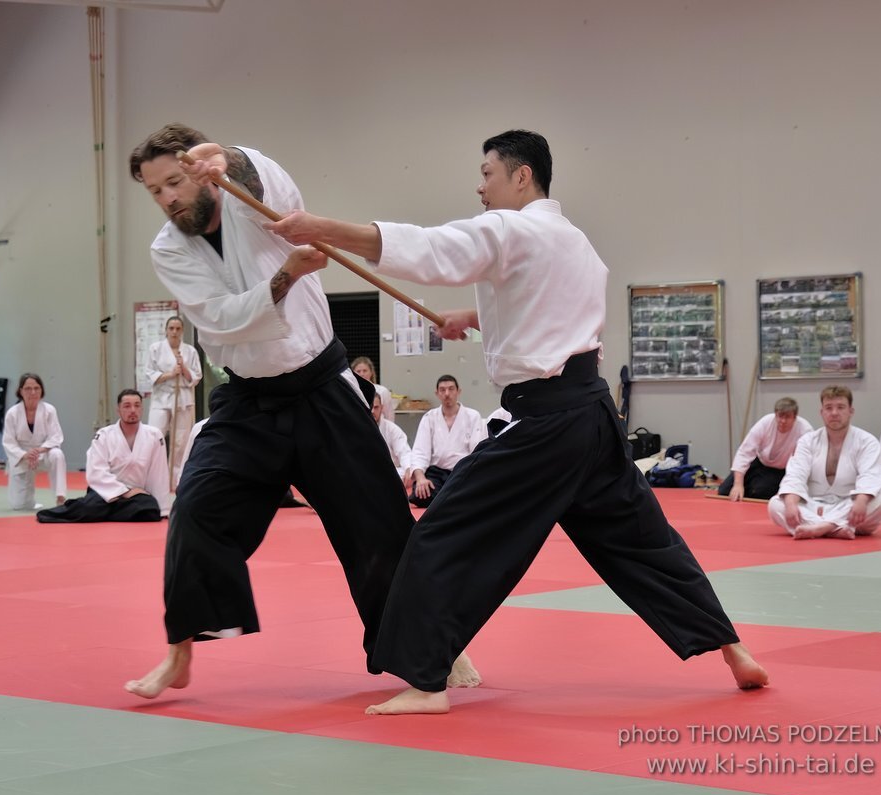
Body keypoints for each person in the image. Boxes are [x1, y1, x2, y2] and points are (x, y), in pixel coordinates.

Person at [266, 128, 766, 714]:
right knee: (643, 542)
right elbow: (547, 306)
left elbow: (428, 248)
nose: (479, 187)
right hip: (594, 416)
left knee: (443, 533)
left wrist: (320, 228)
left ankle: (427, 681)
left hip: (545, 424)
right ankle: (733, 651)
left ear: (521, 176)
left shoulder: (508, 228)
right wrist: (476, 317)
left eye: (487, 174)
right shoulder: (574, 240)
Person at [122, 123, 450, 702]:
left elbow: (272, 187)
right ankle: (180, 652)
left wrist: (229, 158)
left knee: (379, 526)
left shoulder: (252, 205)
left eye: (175, 181)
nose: (168, 198)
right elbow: (220, 319)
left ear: (203, 173)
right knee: (195, 509)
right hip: (247, 400)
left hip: (322, 389)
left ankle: (433, 653)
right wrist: (286, 275)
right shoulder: (168, 249)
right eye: (155, 191)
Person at [768, 385, 881, 539]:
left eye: (840, 407)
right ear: (822, 412)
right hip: (814, 506)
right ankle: (834, 528)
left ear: (851, 411)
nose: (834, 413)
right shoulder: (807, 441)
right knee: (775, 504)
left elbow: (871, 476)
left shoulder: (867, 441)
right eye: (829, 408)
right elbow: (795, 475)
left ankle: (817, 527)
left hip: (849, 505)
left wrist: (861, 501)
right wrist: (791, 504)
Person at [37, 390, 168, 523]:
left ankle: (103, 514)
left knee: (150, 510)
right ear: (118, 410)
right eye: (127, 406)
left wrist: (163, 509)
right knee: (89, 507)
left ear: (142, 408)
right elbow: (96, 471)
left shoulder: (154, 435)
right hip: (105, 491)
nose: (133, 410)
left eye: (137, 405)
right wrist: (124, 491)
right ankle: (101, 511)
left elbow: (158, 474)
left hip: (136, 494)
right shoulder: (104, 435)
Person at [408, 374, 487, 507]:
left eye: (451, 389)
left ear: (458, 391)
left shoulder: (472, 416)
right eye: (442, 390)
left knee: (476, 492)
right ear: (437, 393)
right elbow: (420, 451)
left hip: (462, 471)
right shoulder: (429, 417)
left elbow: (477, 451)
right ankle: (453, 498)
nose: (447, 394)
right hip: (437, 473)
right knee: (420, 493)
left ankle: (449, 497)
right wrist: (421, 478)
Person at [718, 398, 814, 501]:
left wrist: (790, 486)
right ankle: (746, 488)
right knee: (724, 491)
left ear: (795, 417)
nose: (783, 421)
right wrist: (738, 485)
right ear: (775, 415)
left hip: (782, 470)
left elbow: (805, 463)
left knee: (760, 492)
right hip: (760, 462)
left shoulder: (805, 430)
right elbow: (745, 452)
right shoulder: (765, 423)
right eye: (780, 416)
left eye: (787, 417)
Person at [145, 315, 202, 487]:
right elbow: (148, 373)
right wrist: (170, 374)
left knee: (180, 441)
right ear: (166, 330)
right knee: (155, 435)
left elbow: (196, 376)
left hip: (182, 397)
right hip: (162, 397)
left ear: (182, 331)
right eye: (171, 328)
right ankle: (154, 478)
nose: (174, 332)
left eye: (178, 329)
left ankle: (176, 480)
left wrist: (183, 367)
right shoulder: (155, 348)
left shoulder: (190, 351)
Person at [2, 373, 67, 511]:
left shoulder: (49, 410)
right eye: (28, 388)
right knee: (19, 506)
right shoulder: (12, 413)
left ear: (41, 390)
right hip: (22, 457)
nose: (33, 392)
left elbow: (55, 437)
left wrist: (40, 450)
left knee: (57, 454)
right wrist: (25, 455)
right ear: (20, 391)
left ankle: (60, 497)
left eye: (37, 388)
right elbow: (8, 442)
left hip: (44, 453)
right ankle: (29, 502)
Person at [372, 392, 414, 489]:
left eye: (376, 407)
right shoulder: (358, 428)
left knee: (403, 473)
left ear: (382, 408)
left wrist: (408, 468)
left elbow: (404, 452)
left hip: (389, 473)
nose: (372, 411)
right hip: (366, 473)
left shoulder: (391, 429)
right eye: (370, 407)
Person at [351, 356, 394, 422]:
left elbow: (389, 417)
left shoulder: (383, 391)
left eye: (365, 371)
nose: (361, 374)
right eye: (358, 371)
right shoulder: (350, 392)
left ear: (371, 372)